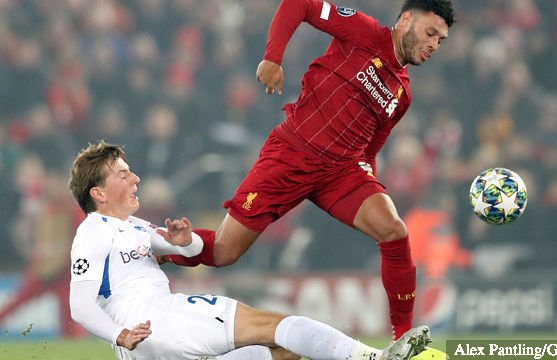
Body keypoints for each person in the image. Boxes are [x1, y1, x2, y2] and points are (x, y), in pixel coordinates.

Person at [165, 0, 455, 340]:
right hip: (293, 154)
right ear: (406, 20)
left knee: (394, 230)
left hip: (341, 171)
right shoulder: (364, 31)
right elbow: (299, 3)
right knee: (224, 251)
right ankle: (163, 246)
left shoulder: (402, 93)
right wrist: (272, 57)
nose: (434, 44)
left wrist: (368, 185)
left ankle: (404, 337)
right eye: (430, 33)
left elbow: (371, 149)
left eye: (441, 40)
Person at [67, 141, 434, 360]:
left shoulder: (135, 228)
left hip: (151, 344)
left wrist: (185, 241)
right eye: (123, 174)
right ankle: (372, 357)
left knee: (283, 353)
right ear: (97, 194)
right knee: (274, 326)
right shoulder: (93, 233)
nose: (135, 178)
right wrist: (120, 335)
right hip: (154, 323)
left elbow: (190, 249)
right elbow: (80, 306)